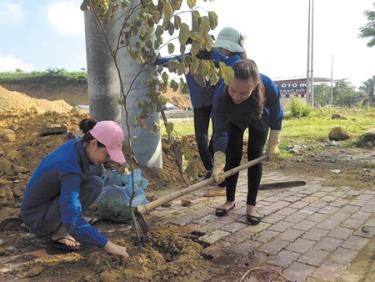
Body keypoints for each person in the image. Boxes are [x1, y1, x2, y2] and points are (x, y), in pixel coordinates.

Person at [21, 119, 129, 262]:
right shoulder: (69, 168)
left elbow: (97, 169)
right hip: (37, 219)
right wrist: (109, 245)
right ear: (93, 143)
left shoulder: (77, 145)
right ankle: (60, 232)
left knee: (96, 180)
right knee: (89, 190)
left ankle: (65, 221)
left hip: (44, 205)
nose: (108, 160)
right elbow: (72, 219)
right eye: (107, 155)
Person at [212, 59, 283, 225]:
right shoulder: (221, 93)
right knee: (232, 155)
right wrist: (219, 160)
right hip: (234, 120)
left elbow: (276, 115)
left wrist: (274, 142)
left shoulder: (268, 86)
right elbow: (220, 130)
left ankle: (251, 205)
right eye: (233, 90)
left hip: (258, 117)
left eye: (243, 93)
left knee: (254, 155)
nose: (236, 97)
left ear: (255, 85)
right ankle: (230, 200)